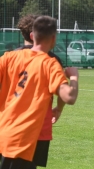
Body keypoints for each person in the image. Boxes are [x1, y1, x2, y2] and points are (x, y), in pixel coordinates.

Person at [0, 15, 79, 168]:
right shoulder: (50, 63)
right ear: (54, 38)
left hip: (5, 131)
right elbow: (69, 96)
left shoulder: (9, 57)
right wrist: (74, 77)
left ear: (32, 35)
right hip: (27, 136)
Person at [15, 14, 66, 168]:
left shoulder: (10, 56)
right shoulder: (52, 59)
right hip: (38, 126)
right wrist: (59, 109)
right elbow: (63, 90)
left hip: (11, 123)